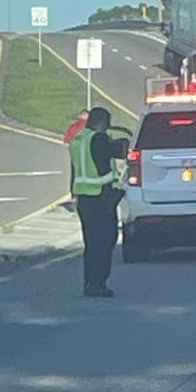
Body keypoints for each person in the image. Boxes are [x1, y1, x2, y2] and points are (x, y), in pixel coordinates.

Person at [69, 107, 128, 298]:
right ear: (101, 122)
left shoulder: (78, 139)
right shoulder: (99, 139)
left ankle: (90, 282)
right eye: (107, 123)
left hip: (84, 198)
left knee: (91, 243)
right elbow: (118, 151)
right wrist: (126, 142)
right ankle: (98, 283)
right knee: (105, 241)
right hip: (100, 197)